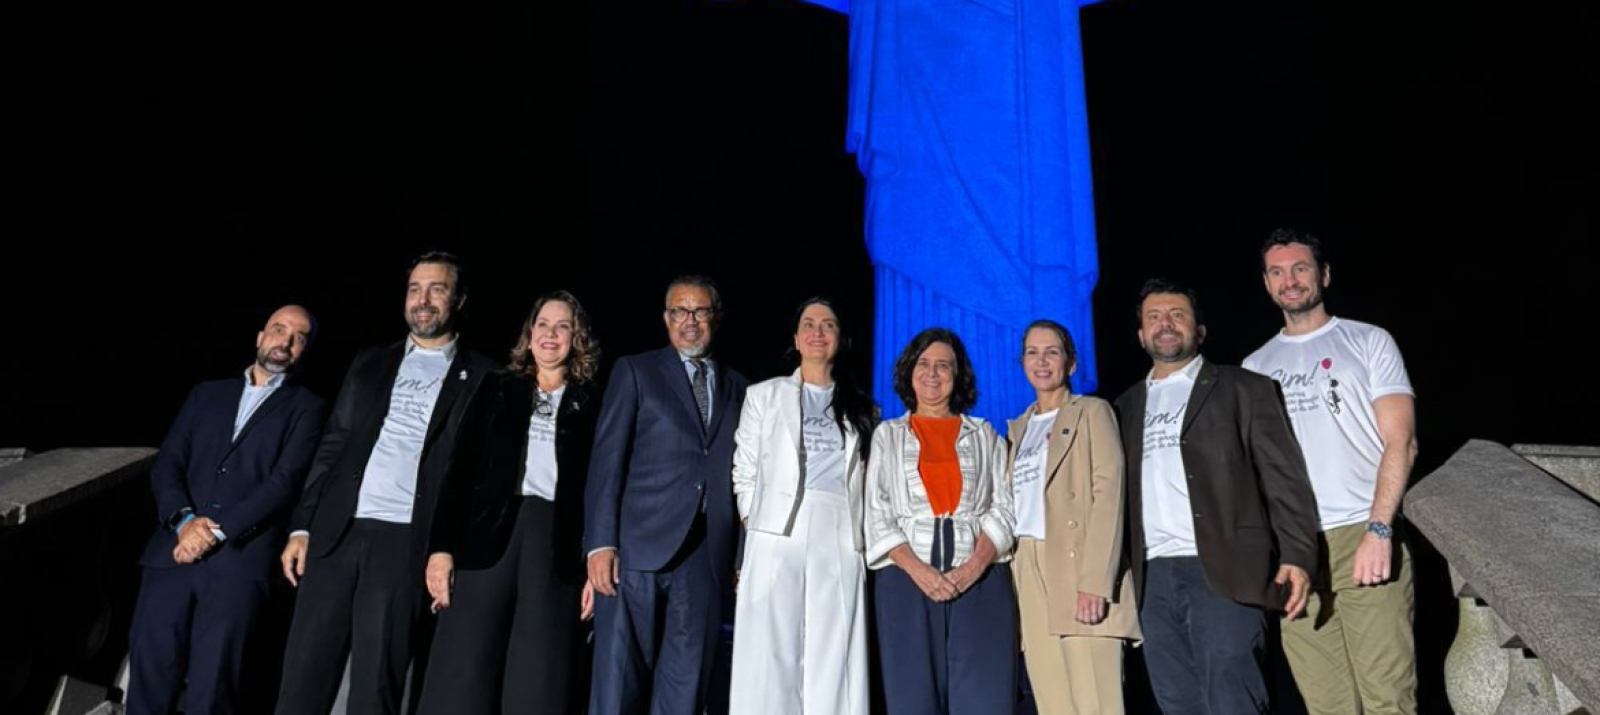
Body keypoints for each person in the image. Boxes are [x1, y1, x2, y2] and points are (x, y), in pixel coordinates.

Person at [276, 252, 497, 715]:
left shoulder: (483, 376)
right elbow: (333, 444)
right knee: (303, 677)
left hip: (404, 541)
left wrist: (446, 546)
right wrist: (302, 526)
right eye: (415, 288)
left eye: (437, 289)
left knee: (377, 685)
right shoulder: (371, 361)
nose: (424, 299)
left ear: (458, 300)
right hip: (338, 533)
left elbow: (476, 477)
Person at [1115, 278, 1320, 715]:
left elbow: (1285, 479)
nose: (1165, 324)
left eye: (1177, 315)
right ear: (1140, 336)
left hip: (1225, 571)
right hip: (1152, 580)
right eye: (1154, 317)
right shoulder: (1123, 408)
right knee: (1176, 702)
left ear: (1200, 330)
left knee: (1233, 700)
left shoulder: (1244, 388)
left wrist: (1297, 554)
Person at [1244, 229, 1418, 715]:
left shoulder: (1367, 341)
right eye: (1277, 272)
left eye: (1300, 268)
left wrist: (1379, 528)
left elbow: (1401, 441)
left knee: (1388, 698)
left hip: (1361, 533)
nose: (1290, 280)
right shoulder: (1255, 367)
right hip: (1295, 549)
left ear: (1323, 274)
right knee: (1326, 705)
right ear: (1266, 284)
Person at [127, 305, 326, 715]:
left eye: (299, 336)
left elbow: (284, 483)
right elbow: (168, 464)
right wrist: (184, 523)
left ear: (305, 349)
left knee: (212, 691)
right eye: (278, 329)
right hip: (171, 557)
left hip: (237, 565)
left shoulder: (308, 408)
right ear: (259, 336)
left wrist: (214, 533)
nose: (285, 341)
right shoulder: (206, 393)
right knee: (148, 680)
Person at [417, 290, 602, 715]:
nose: (550, 334)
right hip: (486, 541)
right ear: (529, 333)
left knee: (539, 681)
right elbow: (458, 472)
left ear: (577, 338)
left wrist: (594, 560)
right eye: (543, 324)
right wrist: (441, 550)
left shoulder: (593, 403)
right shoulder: (497, 387)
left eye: (562, 326)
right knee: (460, 673)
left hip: (556, 547)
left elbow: (603, 488)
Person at [584, 275, 750, 715]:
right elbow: (607, 461)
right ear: (665, 319)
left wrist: (739, 555)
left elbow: (749, 479)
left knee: (686, 687)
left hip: (704, 558)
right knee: (618, 686)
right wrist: (601, 544)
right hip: (633, 553)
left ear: (716, 318)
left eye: (700, 311)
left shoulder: (741, 388)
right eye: (680, 311)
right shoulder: (636, 370)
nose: (690, 321)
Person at [727, 297, 875, 715]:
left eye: (827, 325)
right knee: (772, 648)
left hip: (840, 530)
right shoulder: (765, 395)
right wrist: (756, 523)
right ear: (795, 338)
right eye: (808, 324)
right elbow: (745, 468)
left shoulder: (863, 407)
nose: (817, 332)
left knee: (834, 648)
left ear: (840, 339)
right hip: (777, 530)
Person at [865, 327, 1015, 715]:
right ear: (909, 372)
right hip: (905, 584)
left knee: (985, 701)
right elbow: (877, 512)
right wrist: (920, 572)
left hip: (980, 584)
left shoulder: (985, 435)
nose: (933, 374)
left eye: (943, 366)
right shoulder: (887, 435)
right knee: (911, 702)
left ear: (958, 374)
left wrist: (973, 567)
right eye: (924, 364)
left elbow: (1004, 508)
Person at [1006, 319, 1138, 715]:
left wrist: (1096, 581)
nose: (1041, 361)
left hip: (1077, 564)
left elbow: (1109, 496)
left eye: (1052, 351)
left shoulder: (1092, 412)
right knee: (1053, 705)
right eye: (1032, 352)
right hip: (1028, 567)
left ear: (1072, 363)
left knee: (1096, 704)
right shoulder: (1020, 427)